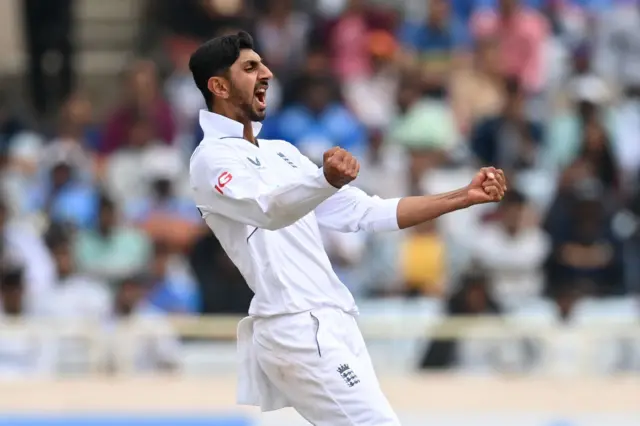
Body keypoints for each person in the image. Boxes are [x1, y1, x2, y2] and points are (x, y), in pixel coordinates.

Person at [188, 31, 507, 426]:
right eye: (250, 68)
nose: (267, 73)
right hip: (294, 325)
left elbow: (366, 213)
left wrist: (463, 196)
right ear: (218, 86)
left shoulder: (281, 152)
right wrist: (325, 179)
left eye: (263, 63)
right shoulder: (211, 159)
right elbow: (267, 210)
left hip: (334, 318)